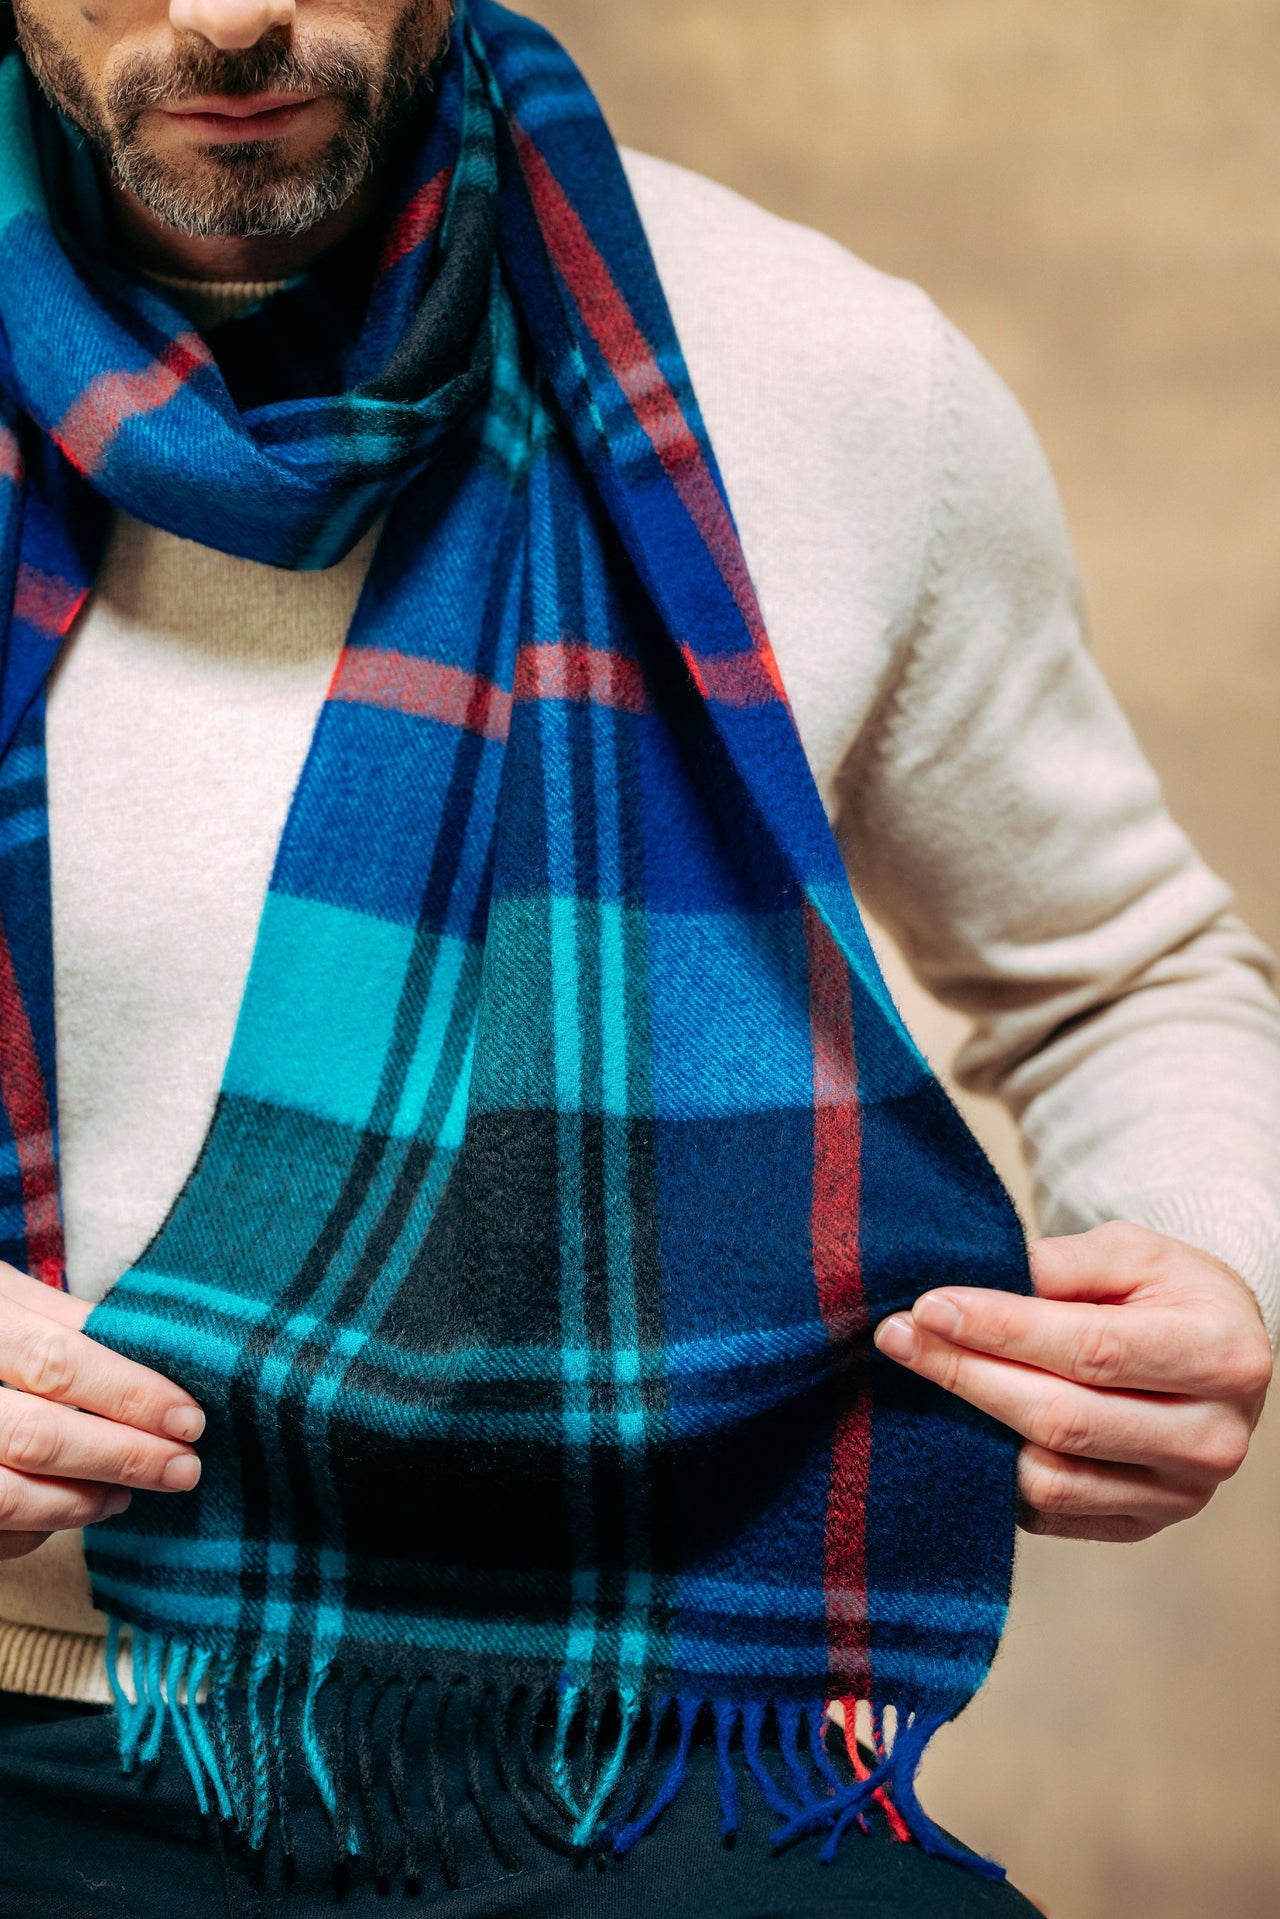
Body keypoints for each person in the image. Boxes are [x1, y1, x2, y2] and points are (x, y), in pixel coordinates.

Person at [0, 0, 1274, 1912]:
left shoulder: (828, 373)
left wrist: (1204, 1253)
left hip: (617, 1731)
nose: (230, 13)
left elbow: (1126, 975)